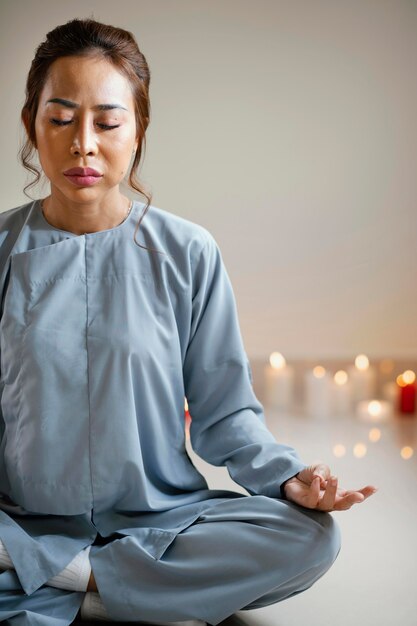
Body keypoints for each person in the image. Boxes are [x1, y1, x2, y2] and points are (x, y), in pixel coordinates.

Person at [0, 17, 377, 626]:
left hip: (161, 519)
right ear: (31, 125)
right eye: (61, 118)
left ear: (139, 130)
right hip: (21, 519)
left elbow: (226, 414)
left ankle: (72, 576)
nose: (83, 143)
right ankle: (122, 585)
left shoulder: (189, 252)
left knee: (312, 538)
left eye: (108, 121)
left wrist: (289, 480)